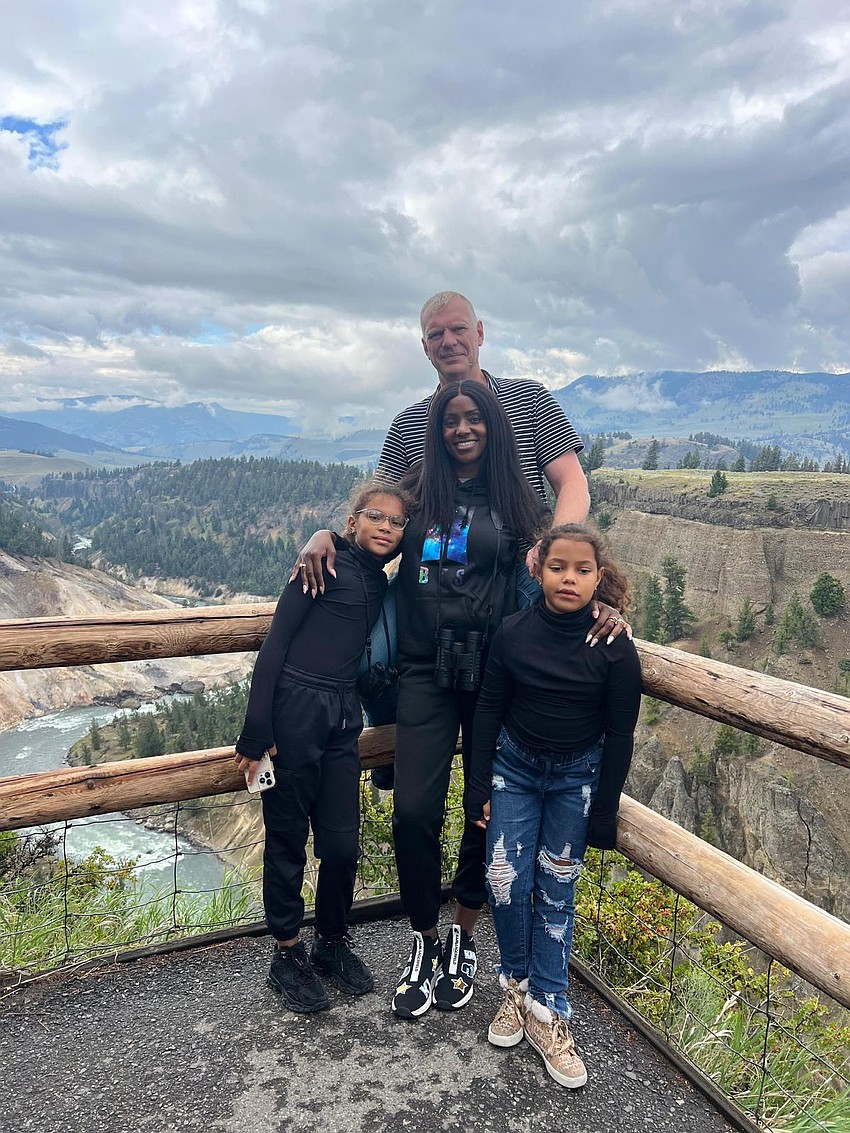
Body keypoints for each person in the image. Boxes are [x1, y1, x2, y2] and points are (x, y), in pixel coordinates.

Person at [296, 291, 628, 646]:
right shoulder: (408, 425)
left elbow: (572, 483)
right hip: (432, 577)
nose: (449, 341)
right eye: (436, 335)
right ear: (425, 347)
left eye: (458, 329)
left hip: (519, 566)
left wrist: (554, 550)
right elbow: (378, 514)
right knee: (367, 655)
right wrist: (329, 538)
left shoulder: (530, 400)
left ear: (479, 333)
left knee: (558, 652)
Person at [465, 524, 641, 1087]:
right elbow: (488, 709)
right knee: (505, 881)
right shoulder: (514, 632)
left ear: (599, 577)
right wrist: (476, 785)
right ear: (537, 570)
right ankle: (515, 989)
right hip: (513, 772)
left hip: (575, 781)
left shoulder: (614, 647)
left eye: (582, 570)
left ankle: (550, 1008)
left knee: (557, 890)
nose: (570, 578)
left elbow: (621, 733)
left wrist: (605, 810)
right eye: (558, 567)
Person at [389, 379, 544, 1019]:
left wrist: (607, 609)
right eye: (450, 420)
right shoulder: (418, 497)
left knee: (484, 807)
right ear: (438, 429)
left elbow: (562, 568)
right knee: (414, 811)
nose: (462, 429)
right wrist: (325, 541)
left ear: (491, 426)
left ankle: (465, 934)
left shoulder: (520, 502)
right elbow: (370, 541)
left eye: (472, 418)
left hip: (490, 674)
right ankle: (425, 936)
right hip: (424, 669)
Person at [233, 482, 409, 1013]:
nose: (385, 526)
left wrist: (325, 534)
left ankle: (331, 941)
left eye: (396, 522)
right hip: (292, 712)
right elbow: (275, 646)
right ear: (352, 523)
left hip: (341, 718)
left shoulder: (382, 580)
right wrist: (255, 732)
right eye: (374, 516)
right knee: (286, 839)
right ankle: (287, 952)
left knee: (340, 841)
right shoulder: (320, 565)